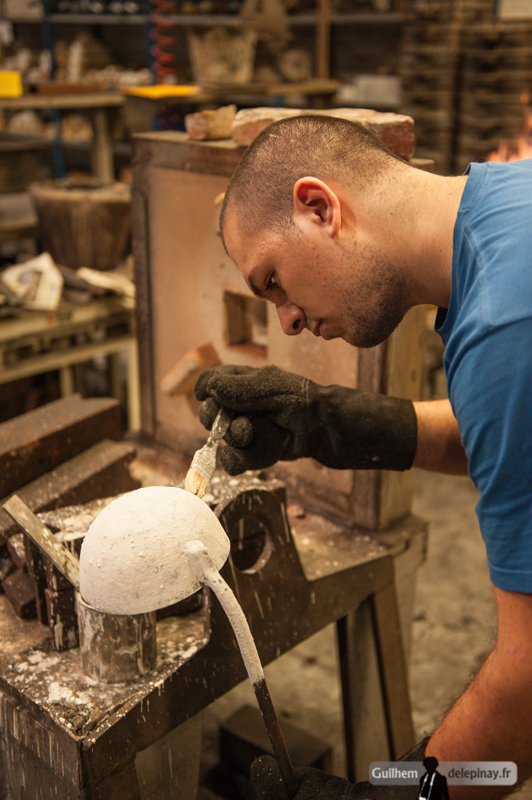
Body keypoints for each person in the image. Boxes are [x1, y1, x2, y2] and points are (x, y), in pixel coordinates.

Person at [194, 114, 532, 799]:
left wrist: (403, 793)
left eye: (273, 280)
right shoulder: (508, 202)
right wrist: (334, 425)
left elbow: (529, 686)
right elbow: (514, 442)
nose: (285, 319)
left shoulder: (506, 326)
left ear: (319, 208)